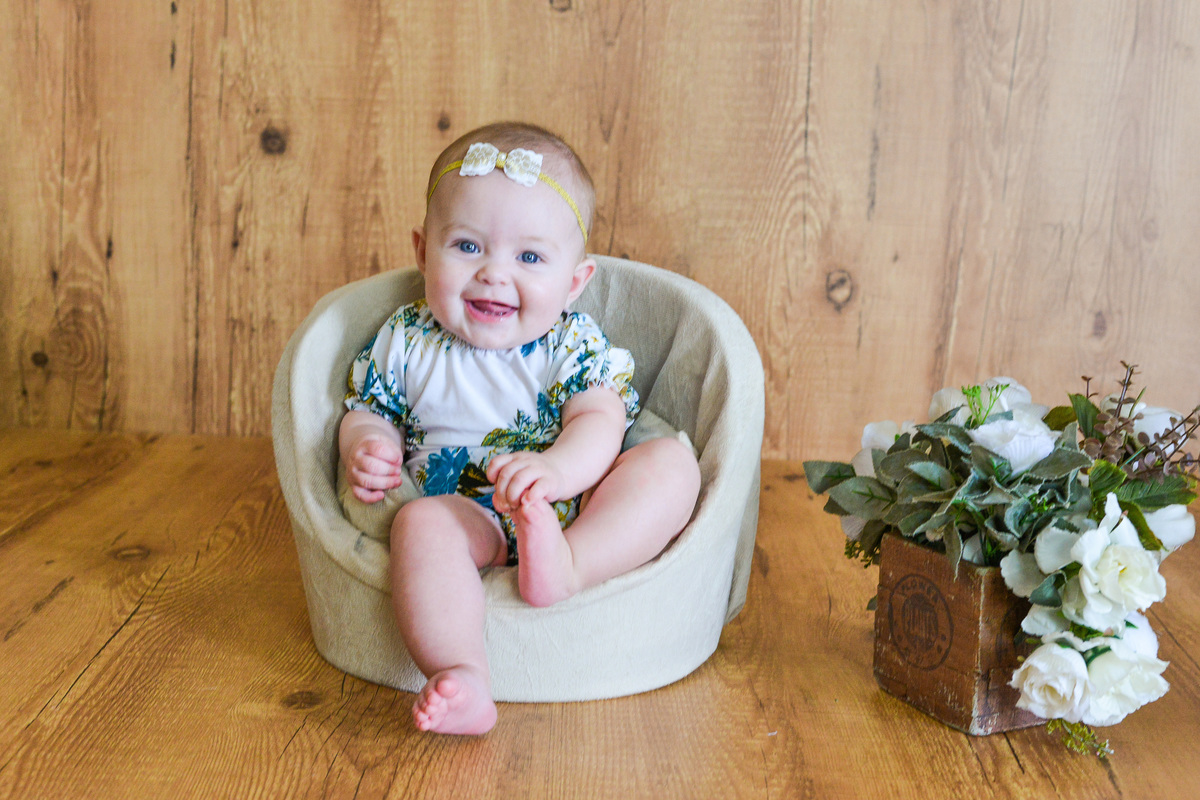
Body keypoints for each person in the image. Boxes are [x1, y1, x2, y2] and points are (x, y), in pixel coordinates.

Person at [338, 122, 701, 735]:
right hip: (464, 511)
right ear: (423, 251)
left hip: (569, 504)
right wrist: (369, 445)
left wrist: (555, 473)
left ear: (574, 282)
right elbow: (370, 408)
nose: (493, 274)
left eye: (529, 258)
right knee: (418, 525)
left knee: (672, 466)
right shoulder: (405, 338)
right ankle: (462, 673)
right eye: (467, 247)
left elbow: (599, 419)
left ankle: (571, 566)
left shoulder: (570, 343)